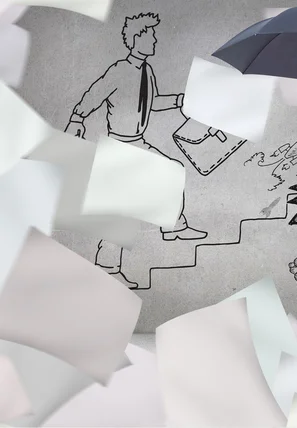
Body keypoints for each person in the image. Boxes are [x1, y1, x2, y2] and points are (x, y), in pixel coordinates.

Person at [64, 12, 208, 288]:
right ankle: (107, 267)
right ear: (135, 39)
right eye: (150, 34)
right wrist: (77, 119)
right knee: (120, 210)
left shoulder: (146, 71)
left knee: (174, 171)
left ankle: (174, 226)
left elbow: (153, 104)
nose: (154, 40)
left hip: (137, 142)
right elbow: (94, 94)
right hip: (119, 146)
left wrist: (182, 100)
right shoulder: (119, 70)